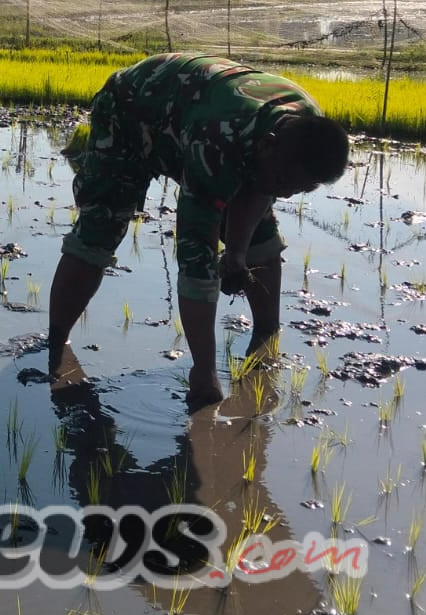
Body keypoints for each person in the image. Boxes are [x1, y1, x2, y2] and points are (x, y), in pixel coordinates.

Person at [48, 53, 350, 410]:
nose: (285, 192)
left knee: (261, 236)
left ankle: (266, 337)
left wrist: (237, 251)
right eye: (284, 181)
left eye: (299, 189)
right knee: (99, 230)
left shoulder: (307, 132)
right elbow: (196, 258)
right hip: (130, 112)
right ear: (269, 144)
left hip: (206, 118)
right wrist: (204, 370)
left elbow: (261, 187)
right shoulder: (217, 140)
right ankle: (55, 345)